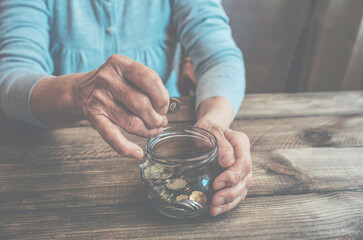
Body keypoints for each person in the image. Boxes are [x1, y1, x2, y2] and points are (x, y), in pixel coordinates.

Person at [0, 0, 252, 216]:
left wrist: (211, 126)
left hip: (166, 143)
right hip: (57, 162)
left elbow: (219, 56)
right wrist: (78, 93)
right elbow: (11, 78)